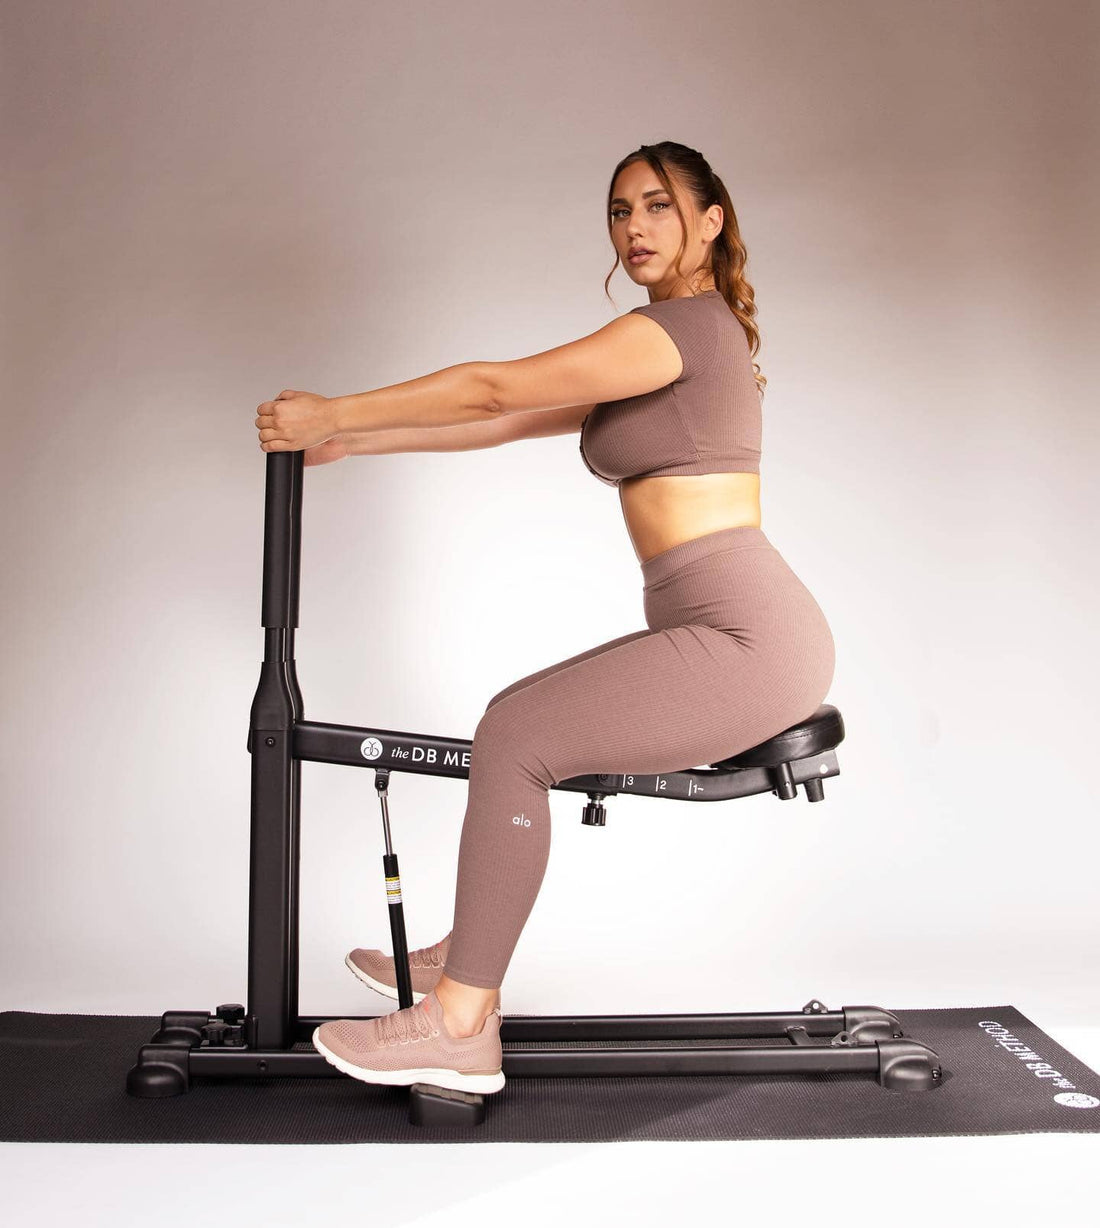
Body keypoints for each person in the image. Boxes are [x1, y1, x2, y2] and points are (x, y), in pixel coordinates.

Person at [253, 141, 835, 1096]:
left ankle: (457, 1023)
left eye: (657, 206)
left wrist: (333, 406)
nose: (636, 228)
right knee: (512, 714)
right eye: (619, 212)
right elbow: (503, 421)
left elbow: (495, 384)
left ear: (712, 219)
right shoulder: (663, 339)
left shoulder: (682, 329)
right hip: (726, 625)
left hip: (750, 635)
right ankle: (463, 959)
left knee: (518, 735)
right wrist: (351, 438)